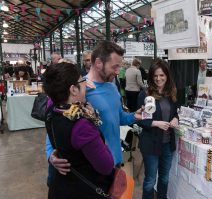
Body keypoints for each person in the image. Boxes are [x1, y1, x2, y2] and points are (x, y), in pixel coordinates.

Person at [47, 41, 143, 183]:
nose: (118, 71)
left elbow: (118, 118)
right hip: (91, 169)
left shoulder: (112, 88)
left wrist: (134, 116)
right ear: (98, 63)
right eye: (115, 66)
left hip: (115, 161)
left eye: (119, 66)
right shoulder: (76, 90)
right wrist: (50, 155)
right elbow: (54, 121)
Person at [44, 62, 114, 199]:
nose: (86, 84)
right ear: (73, 89)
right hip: (83, 190)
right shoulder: (81, 126)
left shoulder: (52, 111)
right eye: (83, 80)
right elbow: (106, 166)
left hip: (60, 187)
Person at [137, 58, 179, 199]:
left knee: (164, 178)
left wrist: (175, 119)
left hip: (167, 143)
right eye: (155, 76)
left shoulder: (171, 93)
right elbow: (141, 120)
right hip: (150, 144)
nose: (158, 79)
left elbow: (175, 113)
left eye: (161, 75)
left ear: (167, 76)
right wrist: (156, 123)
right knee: (150, 180)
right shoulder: (146, 95)